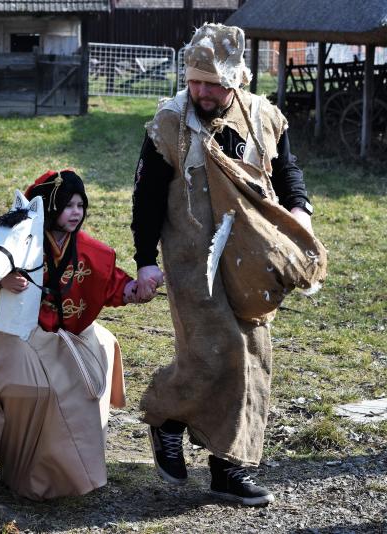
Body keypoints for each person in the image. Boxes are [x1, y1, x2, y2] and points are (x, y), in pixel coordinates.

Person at [131, 23, 320, 506]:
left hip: (252, 256)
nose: (202, 92)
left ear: (235, 79)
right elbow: (146, 197)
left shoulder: (262, 117)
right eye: (195, 82)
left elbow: (287, 169)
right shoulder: (170, 122)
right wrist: (145, 261)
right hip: (191, 259)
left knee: (253, 355)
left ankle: (227, 469)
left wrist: (299, 211)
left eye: (212, 84)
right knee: (216, 350)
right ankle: (167, 414)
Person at [0, 169, 152, 500]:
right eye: (67, 206)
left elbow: (113, 285)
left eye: (80, 205)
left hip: (68, 339)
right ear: (50, 209)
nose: (76, 213)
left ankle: (52, 478)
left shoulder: (92, 251)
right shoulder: (20, 239)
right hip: (20, 335)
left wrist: (137, 289)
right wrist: (1, 280)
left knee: (65, 395)